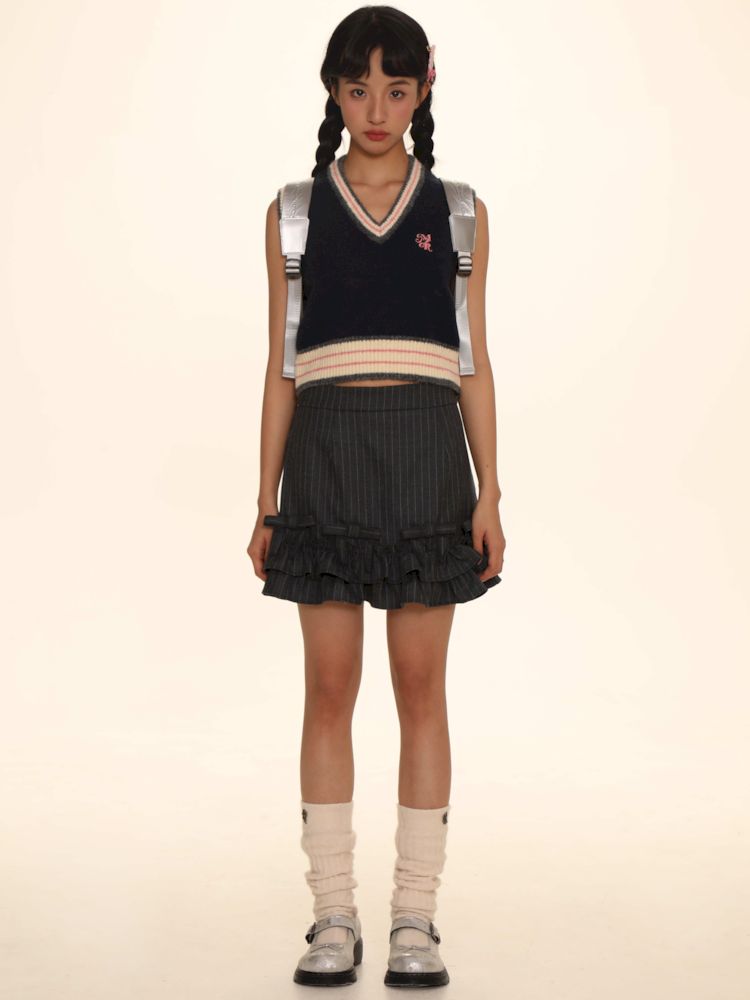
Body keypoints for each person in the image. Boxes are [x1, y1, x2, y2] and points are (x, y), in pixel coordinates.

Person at [246, 5, 506, 988]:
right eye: (359, 89)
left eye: (396, 89)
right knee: (328, 688)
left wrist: (490, 491)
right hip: (324, 458)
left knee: (420, 687)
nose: (377, 109)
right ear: (334, 90)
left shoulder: (462, 212)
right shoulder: (294, 212)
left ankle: (414, 917)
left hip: (428, 458)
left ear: (423, 89)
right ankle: (332, 913)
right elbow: (281, 366)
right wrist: (264, 499)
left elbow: (473, 361)